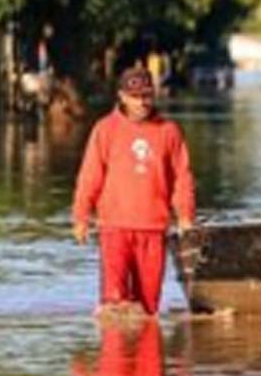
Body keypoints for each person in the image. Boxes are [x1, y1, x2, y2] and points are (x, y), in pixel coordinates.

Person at [72, 67, 196, 315]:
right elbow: (89, 177)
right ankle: (115, 352)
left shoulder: (169, 131)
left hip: (153, 229)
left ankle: (146, 352)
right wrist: (81, 217)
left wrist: (185, 216)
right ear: (122, 96)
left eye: (147, 95)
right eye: (136, 96)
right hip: (114, 228)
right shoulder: (105, 129)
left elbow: (182, 178)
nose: (142, 102)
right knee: (114, 304)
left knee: (148, 307)